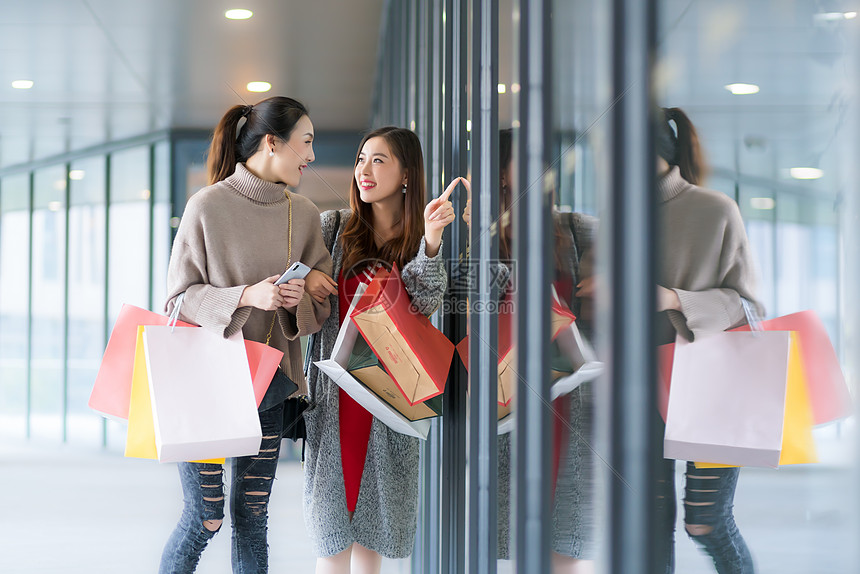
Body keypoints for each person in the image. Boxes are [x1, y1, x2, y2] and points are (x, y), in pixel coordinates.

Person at [160, 95, 333, 573]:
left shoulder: (306, 214)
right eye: (307, 143)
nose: (311, 155)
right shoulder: (207, 207)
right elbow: (176, 301)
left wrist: (302, 300)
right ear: (273, 143)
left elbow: (319, 311)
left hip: (271, 387)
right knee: (205, 516)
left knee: (251, 518)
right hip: (206, 386)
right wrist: (246, 297)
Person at [301, 126, 458, 574]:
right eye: (360, 159)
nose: (363, 171)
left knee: (375, 540)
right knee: (330, 542)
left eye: (379, 160)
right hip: (335, 402)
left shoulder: (418, 242)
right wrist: (308, 281)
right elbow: (304, 310)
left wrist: (430, 241)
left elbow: (425, 305)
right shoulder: (333, 228)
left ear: (407, 173)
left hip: (390, 404)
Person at [462, 129, 598, 573]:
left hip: (566, 399)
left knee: (566, 536)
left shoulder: (576, 230)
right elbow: (463, 307)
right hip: (503, 397)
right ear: (501, 172)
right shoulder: (475, 233)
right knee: (506, 530)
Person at [654, 107, 761, 573]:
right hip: (642, 387)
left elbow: (750, 306)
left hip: (713, 384)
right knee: (649, 521)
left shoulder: (715, 208)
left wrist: (673, 298)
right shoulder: (617, 216)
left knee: (707, 522)